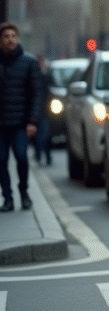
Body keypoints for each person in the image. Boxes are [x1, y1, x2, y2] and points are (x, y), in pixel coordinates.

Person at [0, 22, 44, 212]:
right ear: (1, 40)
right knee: (1, 161)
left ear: (17, 39)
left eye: (13, 36)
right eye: (6, 36)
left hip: (20, 123)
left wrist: (32, 121)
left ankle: (24, 193)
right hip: (1, 124)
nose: (10, 39)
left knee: (21, 157)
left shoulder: (29, 62)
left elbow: (37, 94)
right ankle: (8, 198)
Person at [32, 56, 53, 167]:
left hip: (44, 111)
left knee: (44, 136)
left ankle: (47, 157)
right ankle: (40, 156)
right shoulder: (34, 76)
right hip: (37, 111)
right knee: (39, 136)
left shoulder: (46, 76)